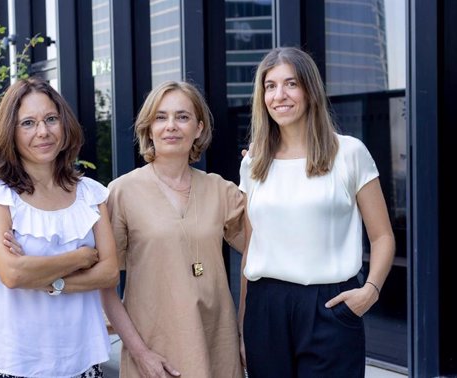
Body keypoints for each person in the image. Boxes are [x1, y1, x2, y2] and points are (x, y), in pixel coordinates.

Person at [238, 47, 396, 377]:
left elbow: (381, 236)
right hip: (265, 307)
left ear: (310, 89)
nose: (279, 95)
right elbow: (252, 247)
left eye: (290, 84)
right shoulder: (254, 163)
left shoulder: (349, 153)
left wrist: (371, 290)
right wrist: (243, 324)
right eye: (270, 86)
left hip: (330, 306)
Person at [0, 77, 119, 378]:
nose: (43, 132)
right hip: (10, 360)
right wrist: (80, 258)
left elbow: (109, 272)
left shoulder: (91, 193)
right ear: (11, 131)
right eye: (28, 123)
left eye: (51, 119)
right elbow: (13, 274)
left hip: (80, 357)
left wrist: (50, 281)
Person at [101, 80, 246, 378]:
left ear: (199, 128)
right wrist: (140, 354)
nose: (171, 126)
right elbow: (105, 285)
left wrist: (262, 172)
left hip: (217, 344)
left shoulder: (222, 190)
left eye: (182, 117)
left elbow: (262, 252)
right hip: (155, 352)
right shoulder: (122, 192)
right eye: (161, 117)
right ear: (149, 128)